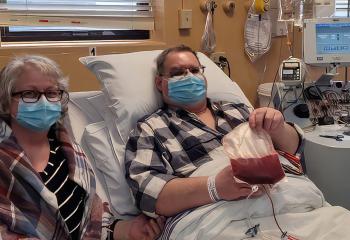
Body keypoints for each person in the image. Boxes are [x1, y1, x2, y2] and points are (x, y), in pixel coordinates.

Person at [124, 45, 303, 218]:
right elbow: (146, 192)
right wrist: (213, 187)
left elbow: (293, 149)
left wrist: (278, 127)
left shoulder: (238, 110)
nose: (189, 77)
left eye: (194, 70)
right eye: (178, 73)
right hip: (222, 217)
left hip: (291, 199)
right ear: (159, 82)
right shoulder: (151, 128)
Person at [0, 55, 164, 239]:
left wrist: (128, 230)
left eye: (52, 93)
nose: (44, 102)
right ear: (6, 101)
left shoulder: (67, 148)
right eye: (30, 94)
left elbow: (88, 222)